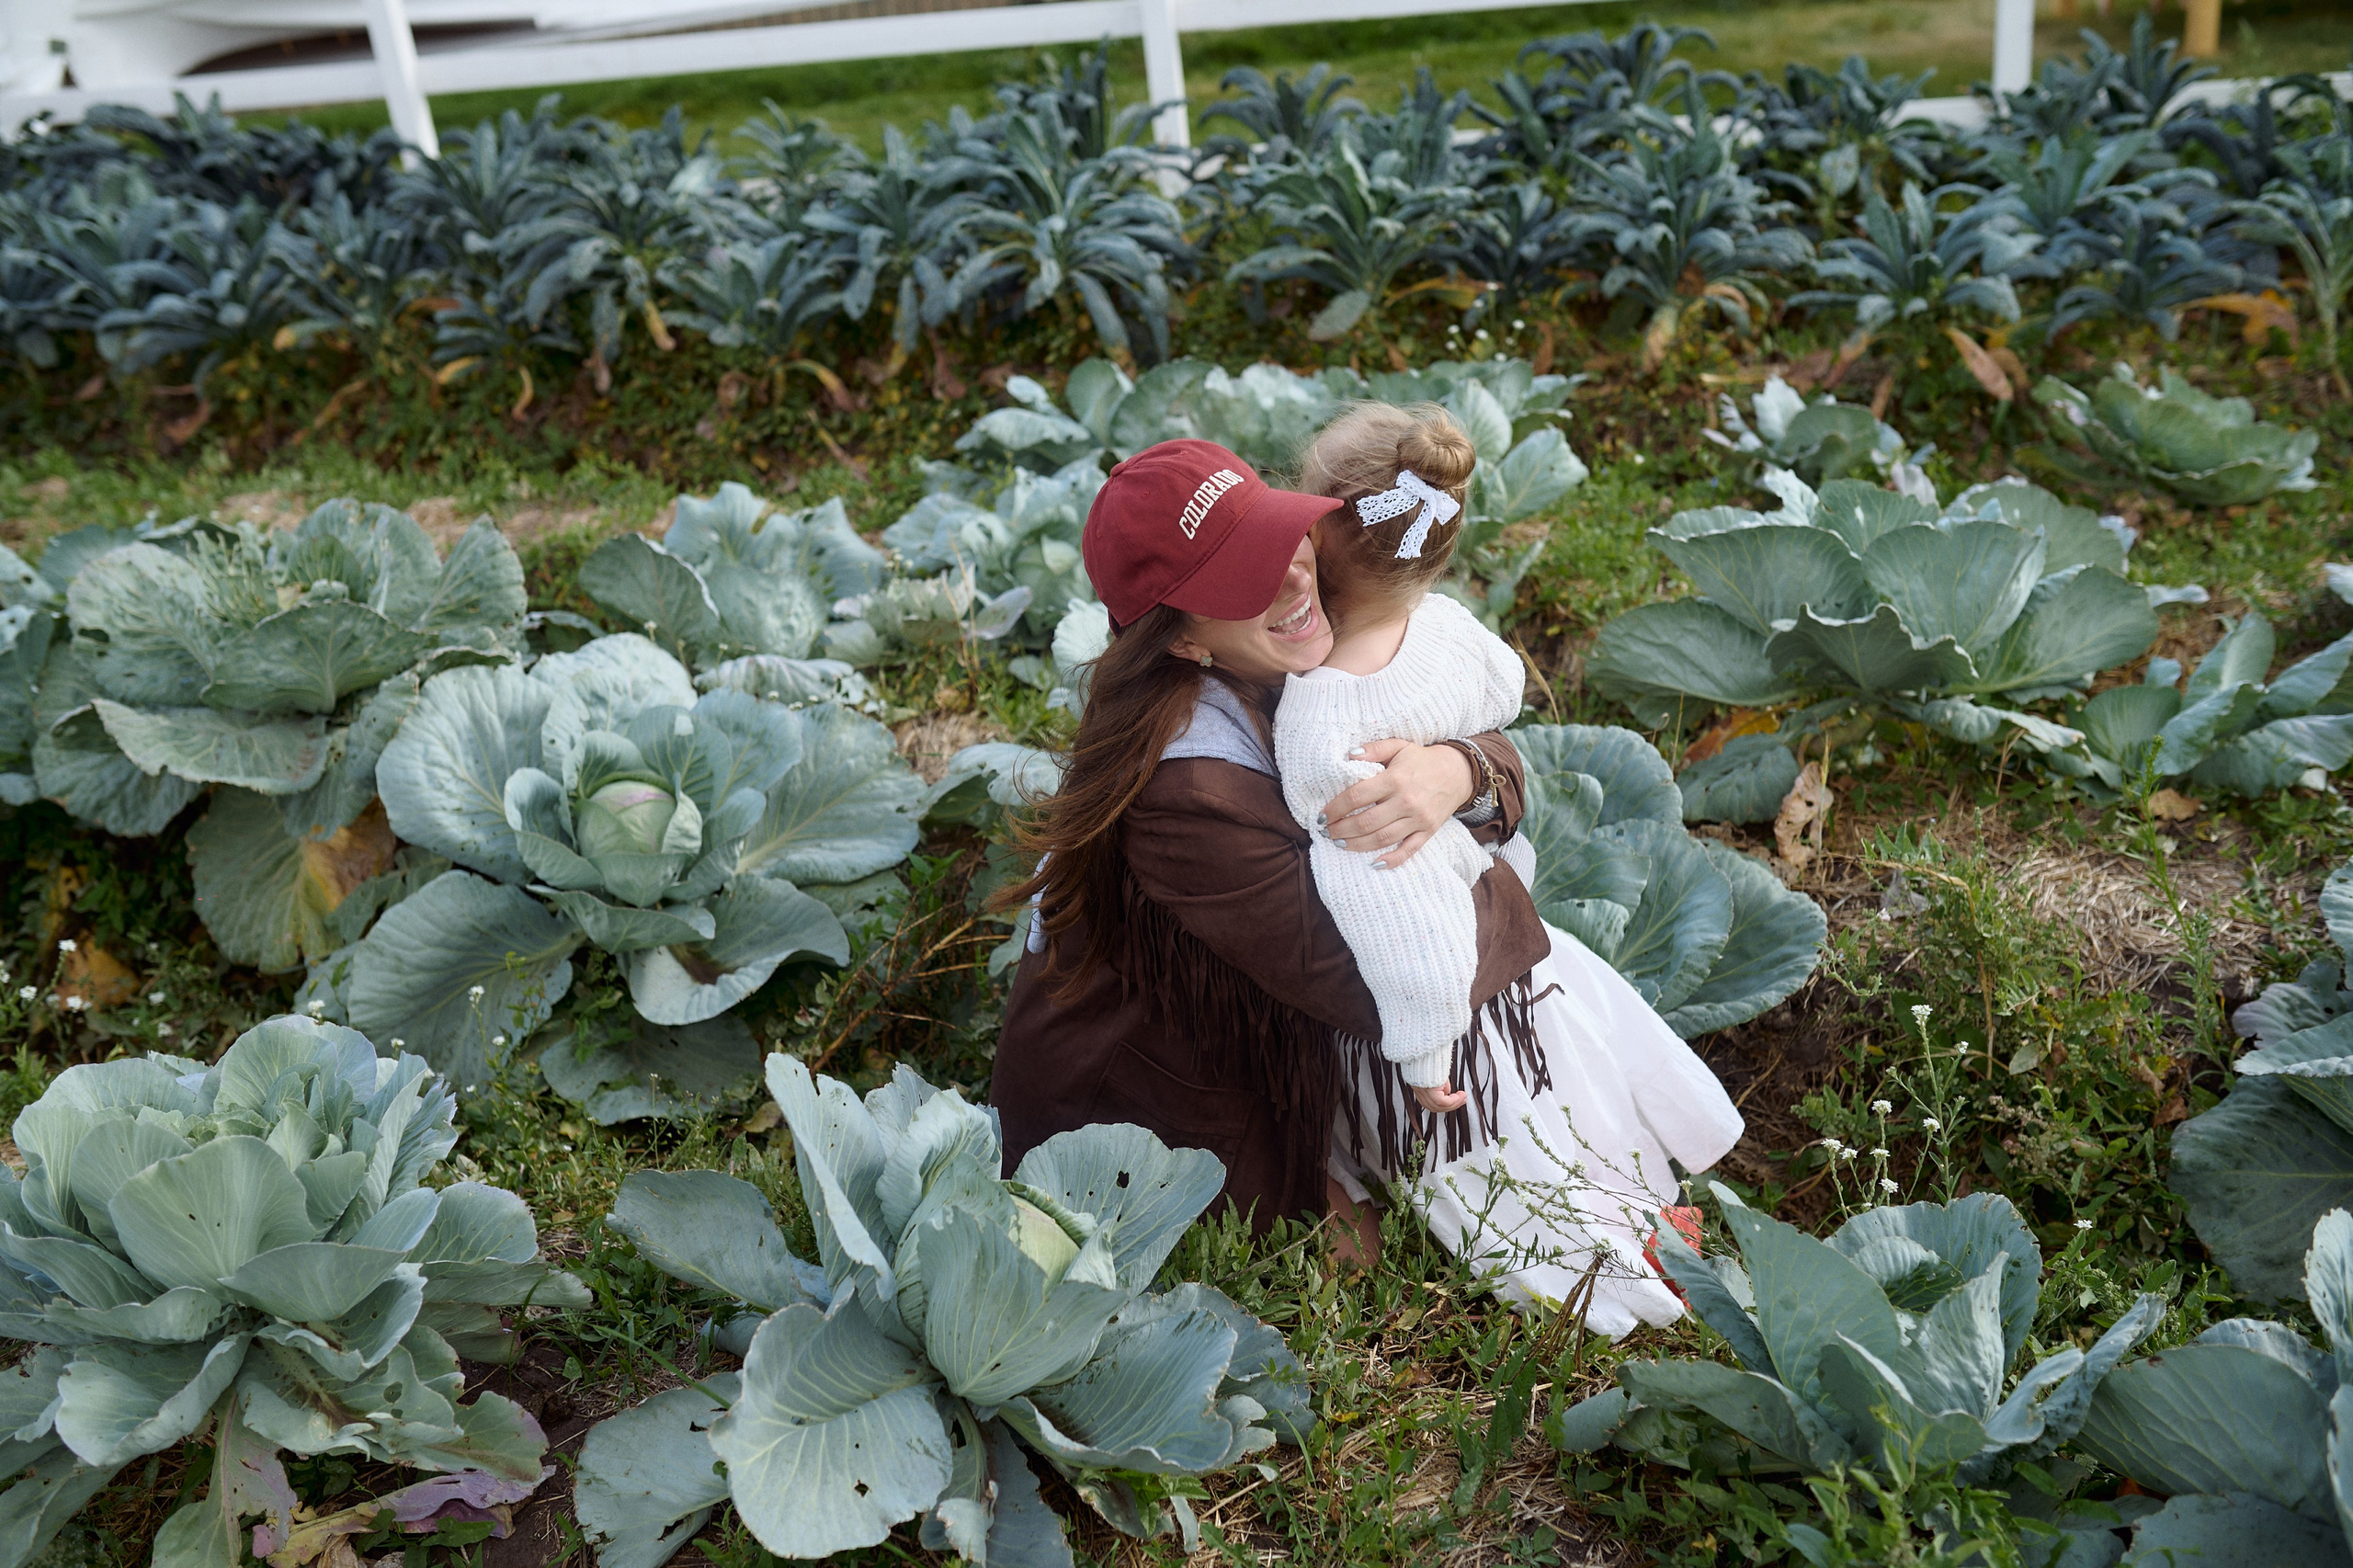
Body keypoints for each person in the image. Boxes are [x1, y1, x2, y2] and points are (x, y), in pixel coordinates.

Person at [988, 438, 1549, 1266]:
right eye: (1241, 579)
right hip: (1144, 1142)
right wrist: (1494, 860)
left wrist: (1453, 773)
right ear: (1181, 642)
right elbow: (1367, 981)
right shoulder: (1185, 793)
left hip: (1268, 1043)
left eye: (1276, 540)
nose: (1291, 581)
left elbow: (1466, 717)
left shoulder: (1281, 663)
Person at [1285, 401, 1745, 1331]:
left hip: (1444, 995)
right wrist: (1455, 746)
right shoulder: (1445, 626)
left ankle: (1623, 1303)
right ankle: (1657, 1223)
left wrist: (1422, 1041)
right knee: (1578, 1107)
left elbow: (1388, 891)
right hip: (1523, 948)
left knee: (1508, 1170)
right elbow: (1501, 683)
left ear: (1328, 524)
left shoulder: (1322, 716)